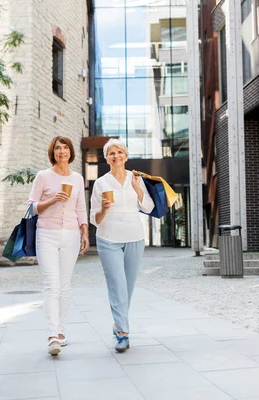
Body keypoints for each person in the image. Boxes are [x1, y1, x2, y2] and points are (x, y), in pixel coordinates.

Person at [90, 138, 154, 352]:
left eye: (119, 152)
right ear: (106, 158)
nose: (116, 156)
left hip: (135, 236)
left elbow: (148, 206)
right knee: (117, 284)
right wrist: (104, 210)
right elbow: (94, 218)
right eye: (111, 153)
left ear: (125, 156)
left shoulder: (136, 178)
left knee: (128, 286)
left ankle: (118, 323)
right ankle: (123, 334)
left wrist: (137, 190)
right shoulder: (101, 183)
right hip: (108, 238)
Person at [28, 136, 89, 356]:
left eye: (65, 148)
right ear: (52, 152)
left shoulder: (78, 178)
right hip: (47, 234)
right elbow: (31, 209)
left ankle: (61, 331)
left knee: (64, 285)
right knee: (51, 284)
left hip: (71, 235)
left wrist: (85, 231)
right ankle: (52, 335)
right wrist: (53, 199)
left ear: (71, 152)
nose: (62, 151)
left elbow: (81, 207)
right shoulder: (43, 177)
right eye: (57, 148)